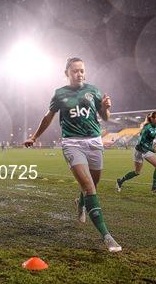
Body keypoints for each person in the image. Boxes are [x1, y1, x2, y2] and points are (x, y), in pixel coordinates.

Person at [24, 57, 121, 252]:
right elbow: (48, 117)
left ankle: (80, 203)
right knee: (89, 188)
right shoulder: (60, 94)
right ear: (67, 73)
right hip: (72, 143)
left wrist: (106, 108)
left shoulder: (93, 90)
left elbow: (105, 118)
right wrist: (34, 137)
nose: (80, 74)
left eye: (82, 70)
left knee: (93, 185)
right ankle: (107, 236)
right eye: (75, 71)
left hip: (94, 142)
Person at [116, 111, 156, 194]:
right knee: (137, 172)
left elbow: (149, 140)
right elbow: (141, 142)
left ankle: (154, 188)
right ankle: (120, 181)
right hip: (139, 151)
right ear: (152, 119)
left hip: (147, 150)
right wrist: (152, 149)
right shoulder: (146, 128)